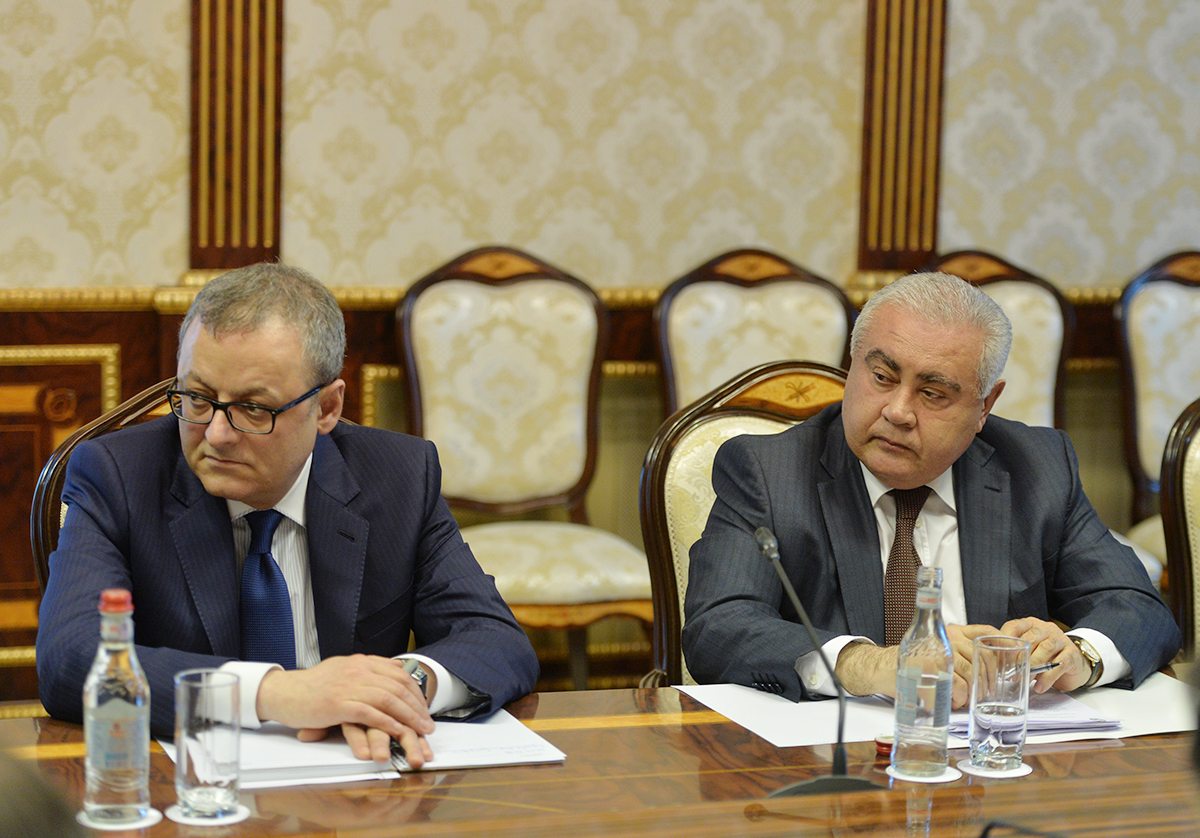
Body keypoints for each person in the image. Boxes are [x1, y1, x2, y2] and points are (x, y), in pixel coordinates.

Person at [37, 262, 539, 767]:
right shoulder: (119, 477)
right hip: (186, 784)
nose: (216, 434)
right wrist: (276, 693)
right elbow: (69, 659)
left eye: (254, 408)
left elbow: (496, 640)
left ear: (327, 408)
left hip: (358, 779)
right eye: (197, 398)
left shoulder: (399, 476)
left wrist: (394, 689)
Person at [683, 271, 1180, 708]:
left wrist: (1080, 656)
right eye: (882, 376)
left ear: (985, 406)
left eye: (933, 393)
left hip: (995, 757)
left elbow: (1139, 608)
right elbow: (718, 627)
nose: (898, 411)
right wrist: (869, 665)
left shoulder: (1037, 468)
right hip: (831, 761)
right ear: (852, 366)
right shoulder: (769, 472)